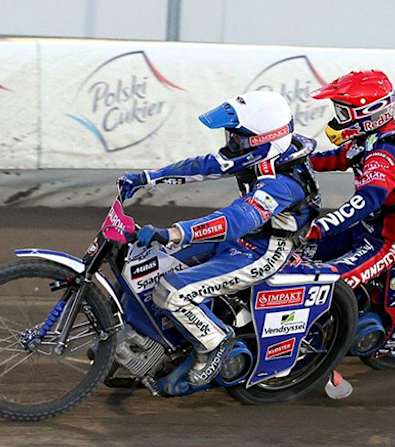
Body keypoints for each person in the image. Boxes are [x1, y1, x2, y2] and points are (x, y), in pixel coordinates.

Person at [118, 91, 319, 386]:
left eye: (238, 138)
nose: (231, 143)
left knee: (172, 291)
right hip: (243, 239)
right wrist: (147, 177)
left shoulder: (283, 183)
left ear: (262, 140)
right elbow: (202, 166)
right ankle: (148, 338)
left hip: (266, 250)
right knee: (151, 262)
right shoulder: (263, 156)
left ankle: (214, 342)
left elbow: (236, 220)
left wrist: (176, 232)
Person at [303, 70, 395, 288]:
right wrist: (288, 163)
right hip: (360, 228)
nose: (337, 120)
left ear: (369, 114)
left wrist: (322, 226)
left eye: (343, 113)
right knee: (297, 257)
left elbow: (368, 199)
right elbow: (335, 158)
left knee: (330, 285)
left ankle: (357, 321)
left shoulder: (385, 155)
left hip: (385, 242)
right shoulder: (368, 140)